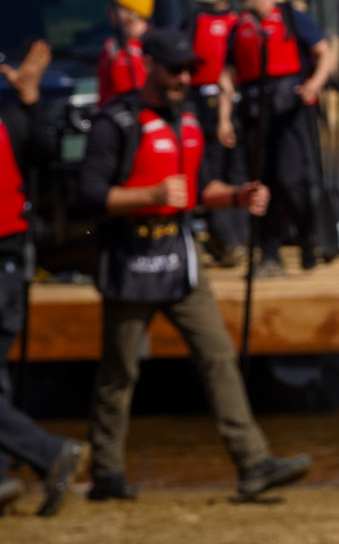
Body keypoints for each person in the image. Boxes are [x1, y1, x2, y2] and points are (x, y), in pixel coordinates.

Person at [79, 29, 310, 502]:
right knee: (119, 372)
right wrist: (150, 195)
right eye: (175, 70)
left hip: (180, 260)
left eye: (189, 70)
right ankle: (106, 474)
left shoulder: (190, 119)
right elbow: (89, 195)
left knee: (218, 355)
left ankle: (254, 463)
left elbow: (201, 189)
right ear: (150, 65)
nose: (184, 78)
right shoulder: (115, 121)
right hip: (129, 260)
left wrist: (238, 196)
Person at [0, 39, 85, 516]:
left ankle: (49, 453)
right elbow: (44, 150)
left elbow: (44, 154)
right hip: (12, 262)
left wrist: (29, 97)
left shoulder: (9, 120)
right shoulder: (11, 118)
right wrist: (29, 99)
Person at [229, 0, 336, 277]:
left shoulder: (292, 18)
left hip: (290, 112)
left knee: (292, 182)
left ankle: (307, 238)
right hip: (254, 112)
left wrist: (314, 84)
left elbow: (325, 52)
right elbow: (227, 71)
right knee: (260, 185)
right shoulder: (240, 26)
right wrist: (224, 113)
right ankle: (269, 252)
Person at [190, 0, 246, 266]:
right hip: (225, 106)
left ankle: (232, 241)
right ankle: (232, 240)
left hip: (217, 106)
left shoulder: (196, 23)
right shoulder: (240, 21)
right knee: (229, 174)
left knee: (219, 175)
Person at [96, 0, 153, 107]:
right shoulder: (112, 47)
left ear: (131, 11)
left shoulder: (154, 46)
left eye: (115, 5)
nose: (108, 9)